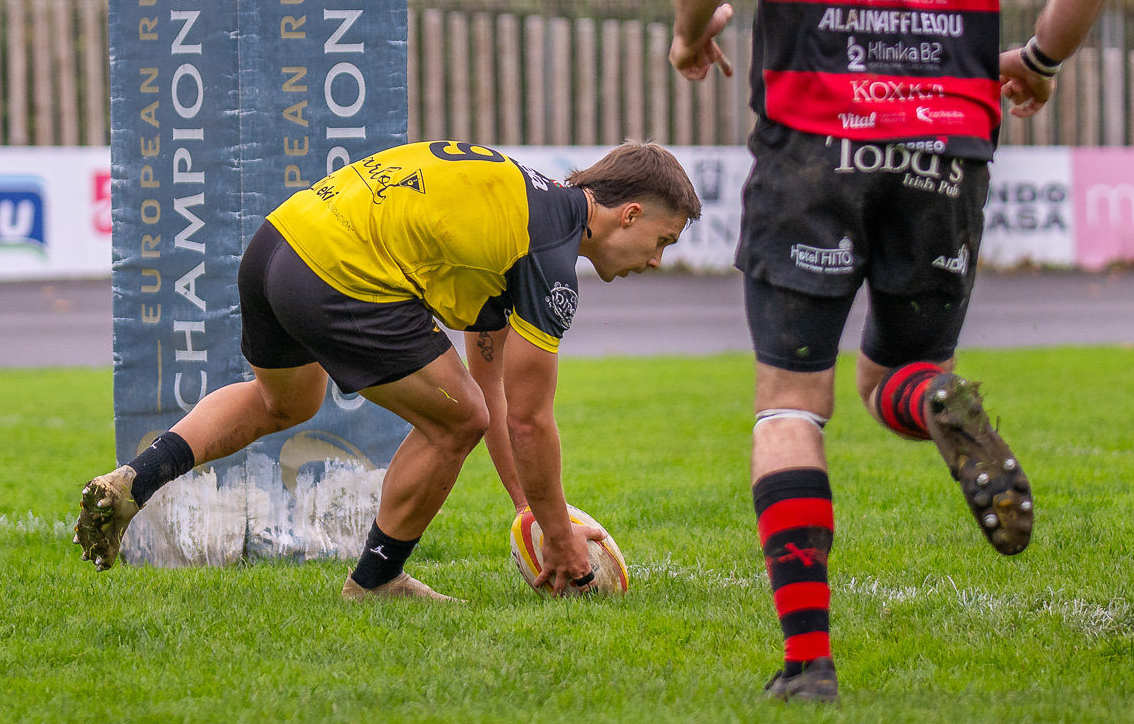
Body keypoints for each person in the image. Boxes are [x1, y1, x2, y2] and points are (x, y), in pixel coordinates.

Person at [669, 0, 1121, 702]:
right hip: (944, 140)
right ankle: (933, 405)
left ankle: (809, 665)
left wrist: (693, 33)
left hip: (814, 135)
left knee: (791, 402)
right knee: (900, 371)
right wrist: (1041, 63)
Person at [74, 139, 701, 600]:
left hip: (277, 243)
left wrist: (528, 510)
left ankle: (134, 482)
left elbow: (495, 390)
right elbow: (530, 420)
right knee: (455, 425)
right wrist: (562, 537)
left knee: (284, 404)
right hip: (337, 271)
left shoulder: (523, 201)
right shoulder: (550, 258)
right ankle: (375, 582)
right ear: (631, 215)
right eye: (663, 242)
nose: (656, 260)